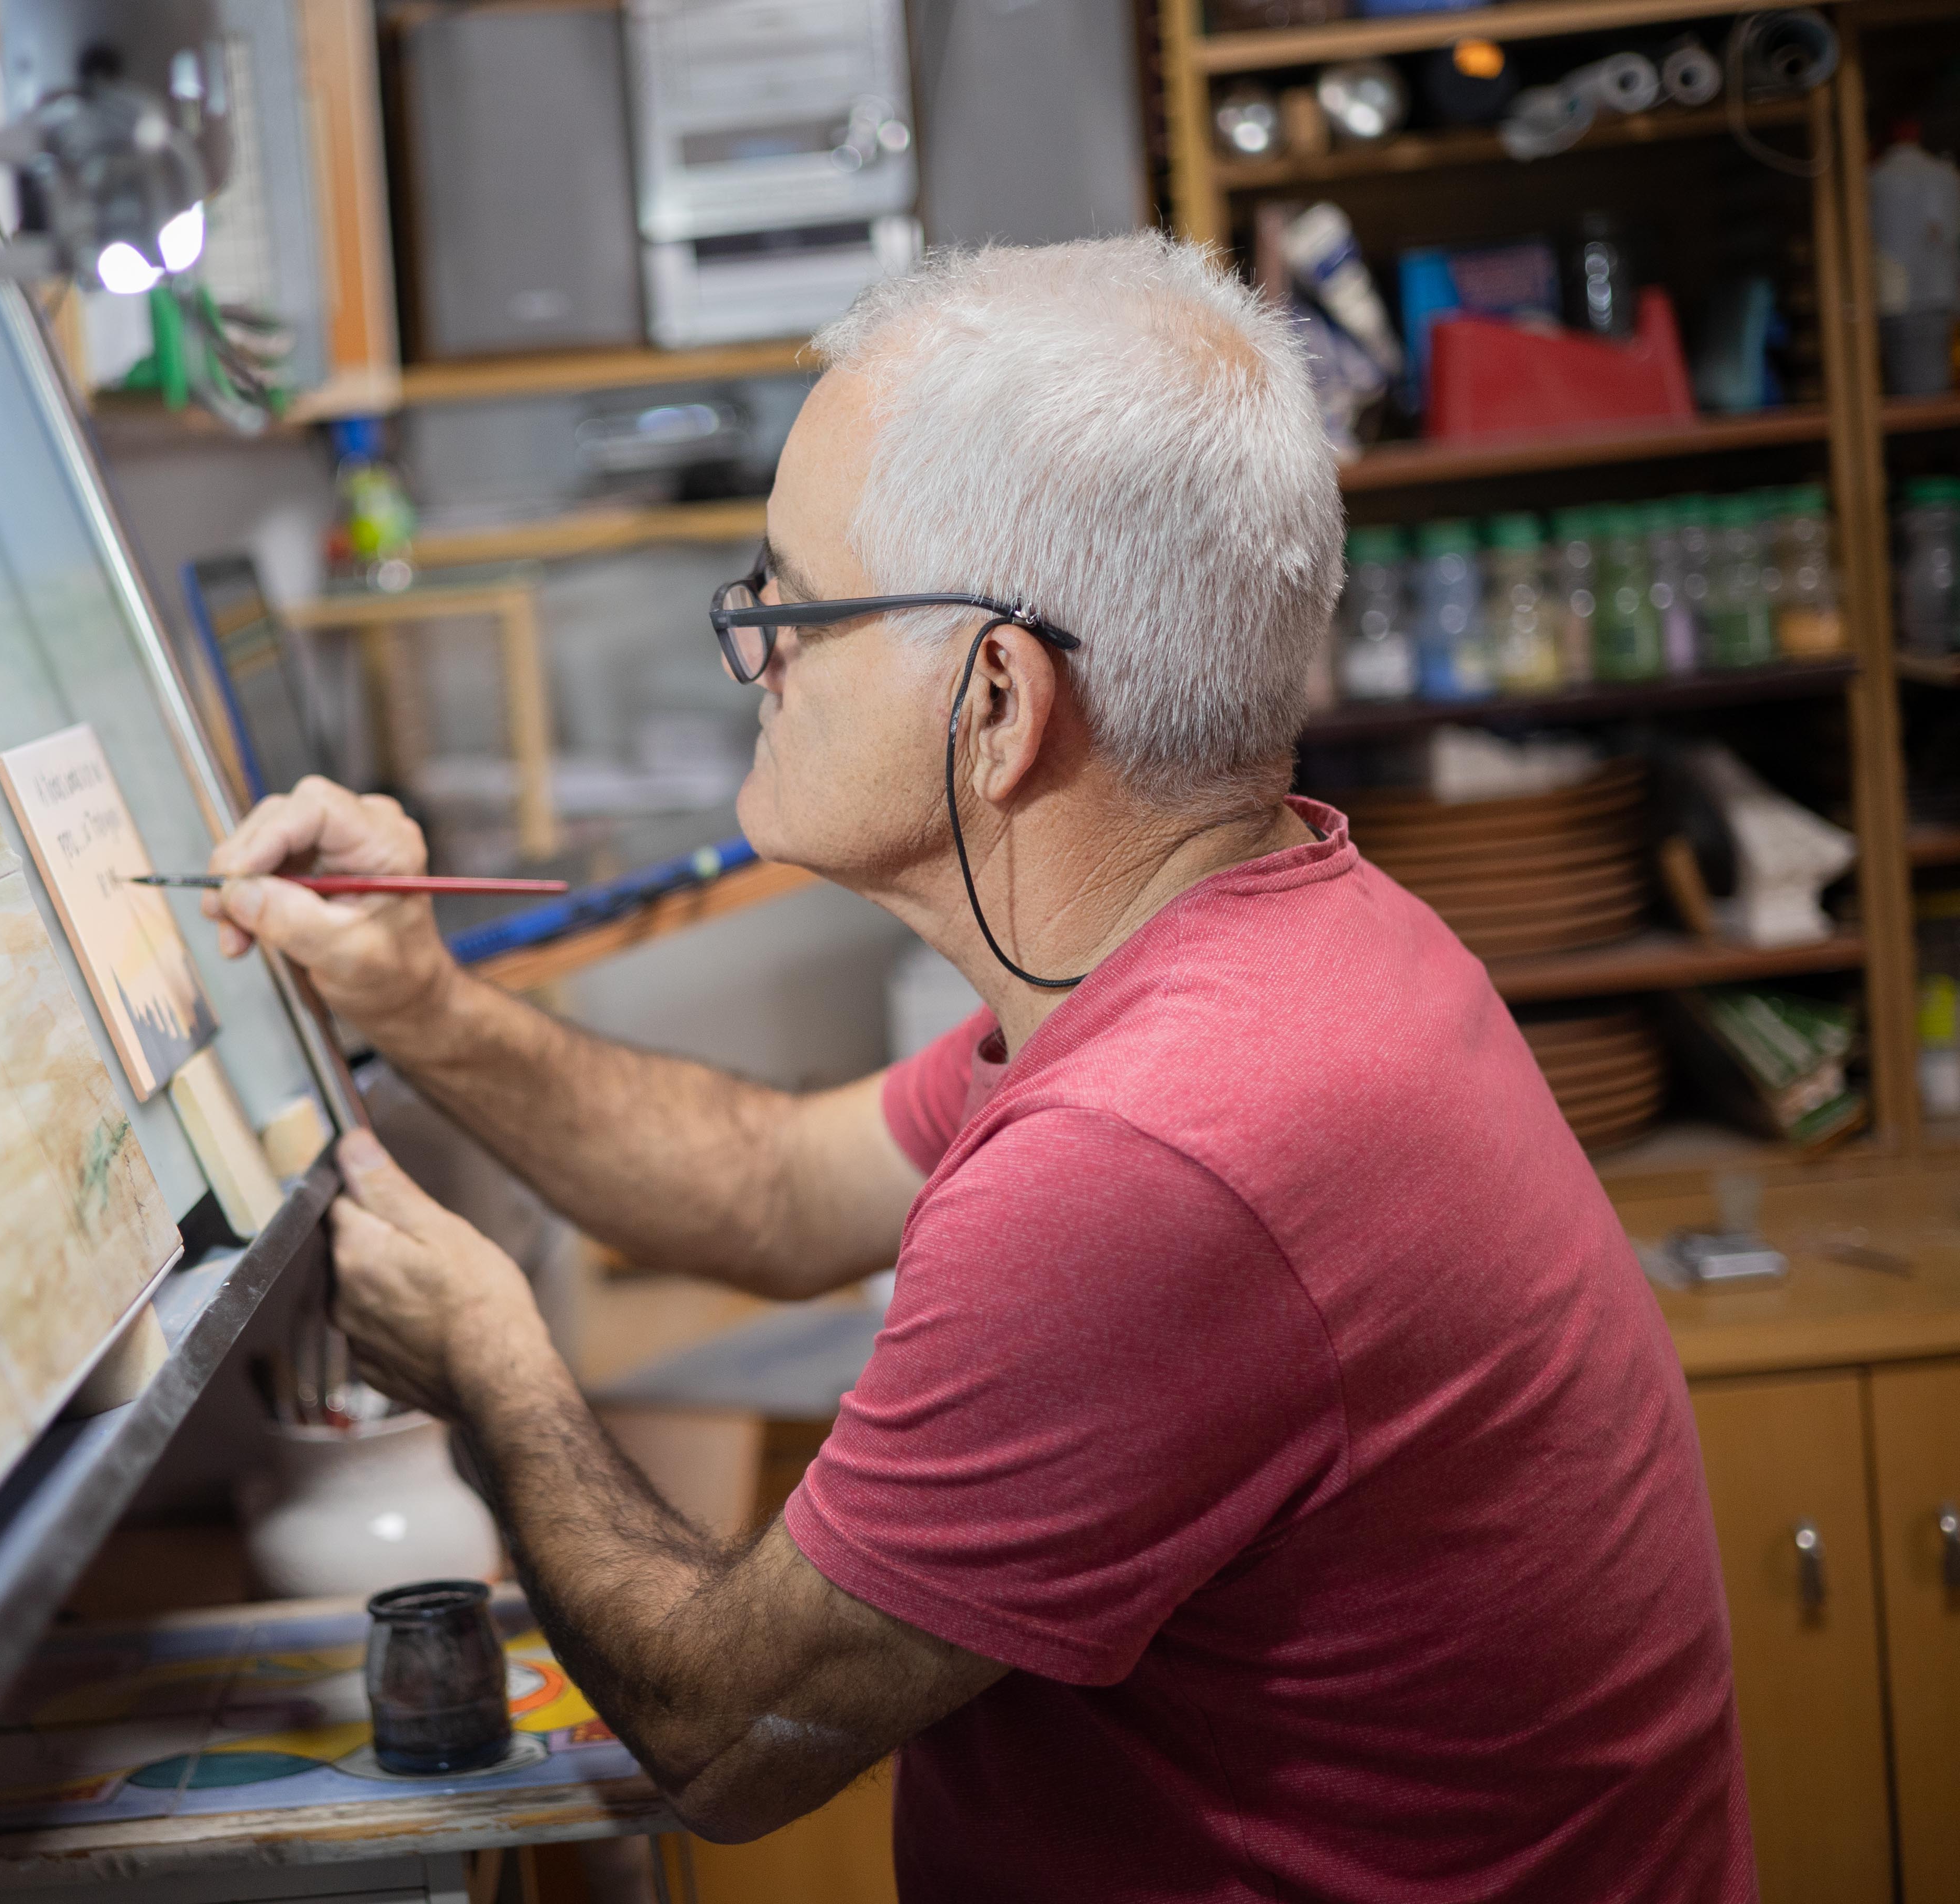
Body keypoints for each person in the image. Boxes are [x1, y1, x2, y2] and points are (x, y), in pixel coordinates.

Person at [201, 236, 1751, 1900]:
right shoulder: (1258, 940)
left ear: (999, 702)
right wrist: (419, 997)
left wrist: (489, 1366)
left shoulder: (1155, 1155)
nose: (757, 648)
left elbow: (726, 1738)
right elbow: (781, 1192)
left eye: (791, 603)